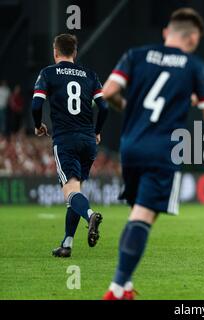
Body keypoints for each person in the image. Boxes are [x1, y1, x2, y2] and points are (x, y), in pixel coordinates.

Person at [101, 7, 204, 300]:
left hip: (130, 147)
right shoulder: (195, 67)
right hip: (162, 150)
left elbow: (107, 92)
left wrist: (130, 108)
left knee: (137, 213)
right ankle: (116, 289)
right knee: (143, 216)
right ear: (193, 38)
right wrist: (192, 98)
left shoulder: (136, 55)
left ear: (167, 31)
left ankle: (126, 286)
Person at [31, 34, 108, 257]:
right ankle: (67, 244)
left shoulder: (48, 73)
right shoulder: (90, 75)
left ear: (55, 52)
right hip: (88, 141)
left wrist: (38, 125)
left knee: (71, 192)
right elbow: (104, 108)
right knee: (75, 192)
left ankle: (91, 214)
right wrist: (97, 131)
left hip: (65, 139)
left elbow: (36, 104)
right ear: (74, 53)